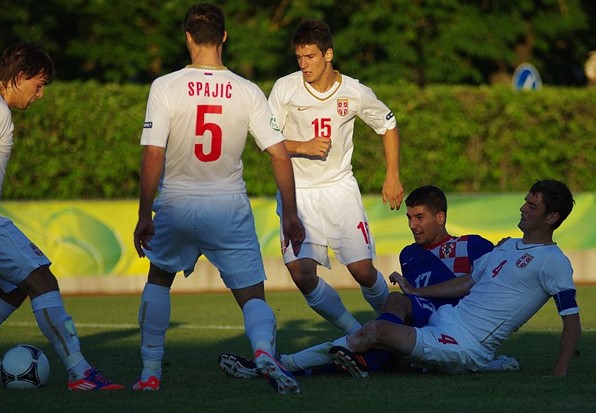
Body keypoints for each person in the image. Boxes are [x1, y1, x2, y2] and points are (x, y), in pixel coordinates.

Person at [131, 3, 305, 395]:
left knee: (159, 278)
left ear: (188, 37)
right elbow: (279, 155)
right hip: (228, 205)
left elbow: (153, 154)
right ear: (224, 36)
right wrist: (290, 214)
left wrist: (145, 214)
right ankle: (263, 353)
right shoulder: (247, 91)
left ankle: (150, 372)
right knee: (252, 295)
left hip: (176, 203)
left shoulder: (165, 86)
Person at [219, 185, 506, 378]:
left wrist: (504, 248)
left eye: (420, 217)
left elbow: (482, 280)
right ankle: (278, 366)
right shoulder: (410, 254)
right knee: (364, 349)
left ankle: (282, 364)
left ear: (441, 217)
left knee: (390, 309)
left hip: (454, 326)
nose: (412, 225)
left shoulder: (472, 245)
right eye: (409, 217)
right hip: (422, 329)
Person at [0, 42, 124, 390]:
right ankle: (81, 373)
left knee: (14, 290)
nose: (40, 94)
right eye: (39, 84)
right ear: (19, 76)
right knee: (42, 280)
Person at [329, 180, 580, 378]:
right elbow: (471, 280)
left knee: (383, 342)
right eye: (525, 202)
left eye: (532, 206)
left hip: (462, 340)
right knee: (390, 330)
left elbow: (571, 321)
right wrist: (415, 292)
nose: (523, 208)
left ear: (551, 217)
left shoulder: (548, 260)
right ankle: (319, 360)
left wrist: (560, 371)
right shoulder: (505, 246)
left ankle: (297, 363)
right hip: (440, 319)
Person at [269, 19, 405, 335]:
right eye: (299, 58)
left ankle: (399, 327)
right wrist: (302, 145)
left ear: (328, 54)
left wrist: (392, 176)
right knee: (302, 274)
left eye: (310, 57)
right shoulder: (284, 88)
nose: (304, 65)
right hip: (298, 192)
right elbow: (268, 139)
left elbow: (388, 124)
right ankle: (356, 332)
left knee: (362, 271)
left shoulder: (354, 92)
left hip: (339, 190)